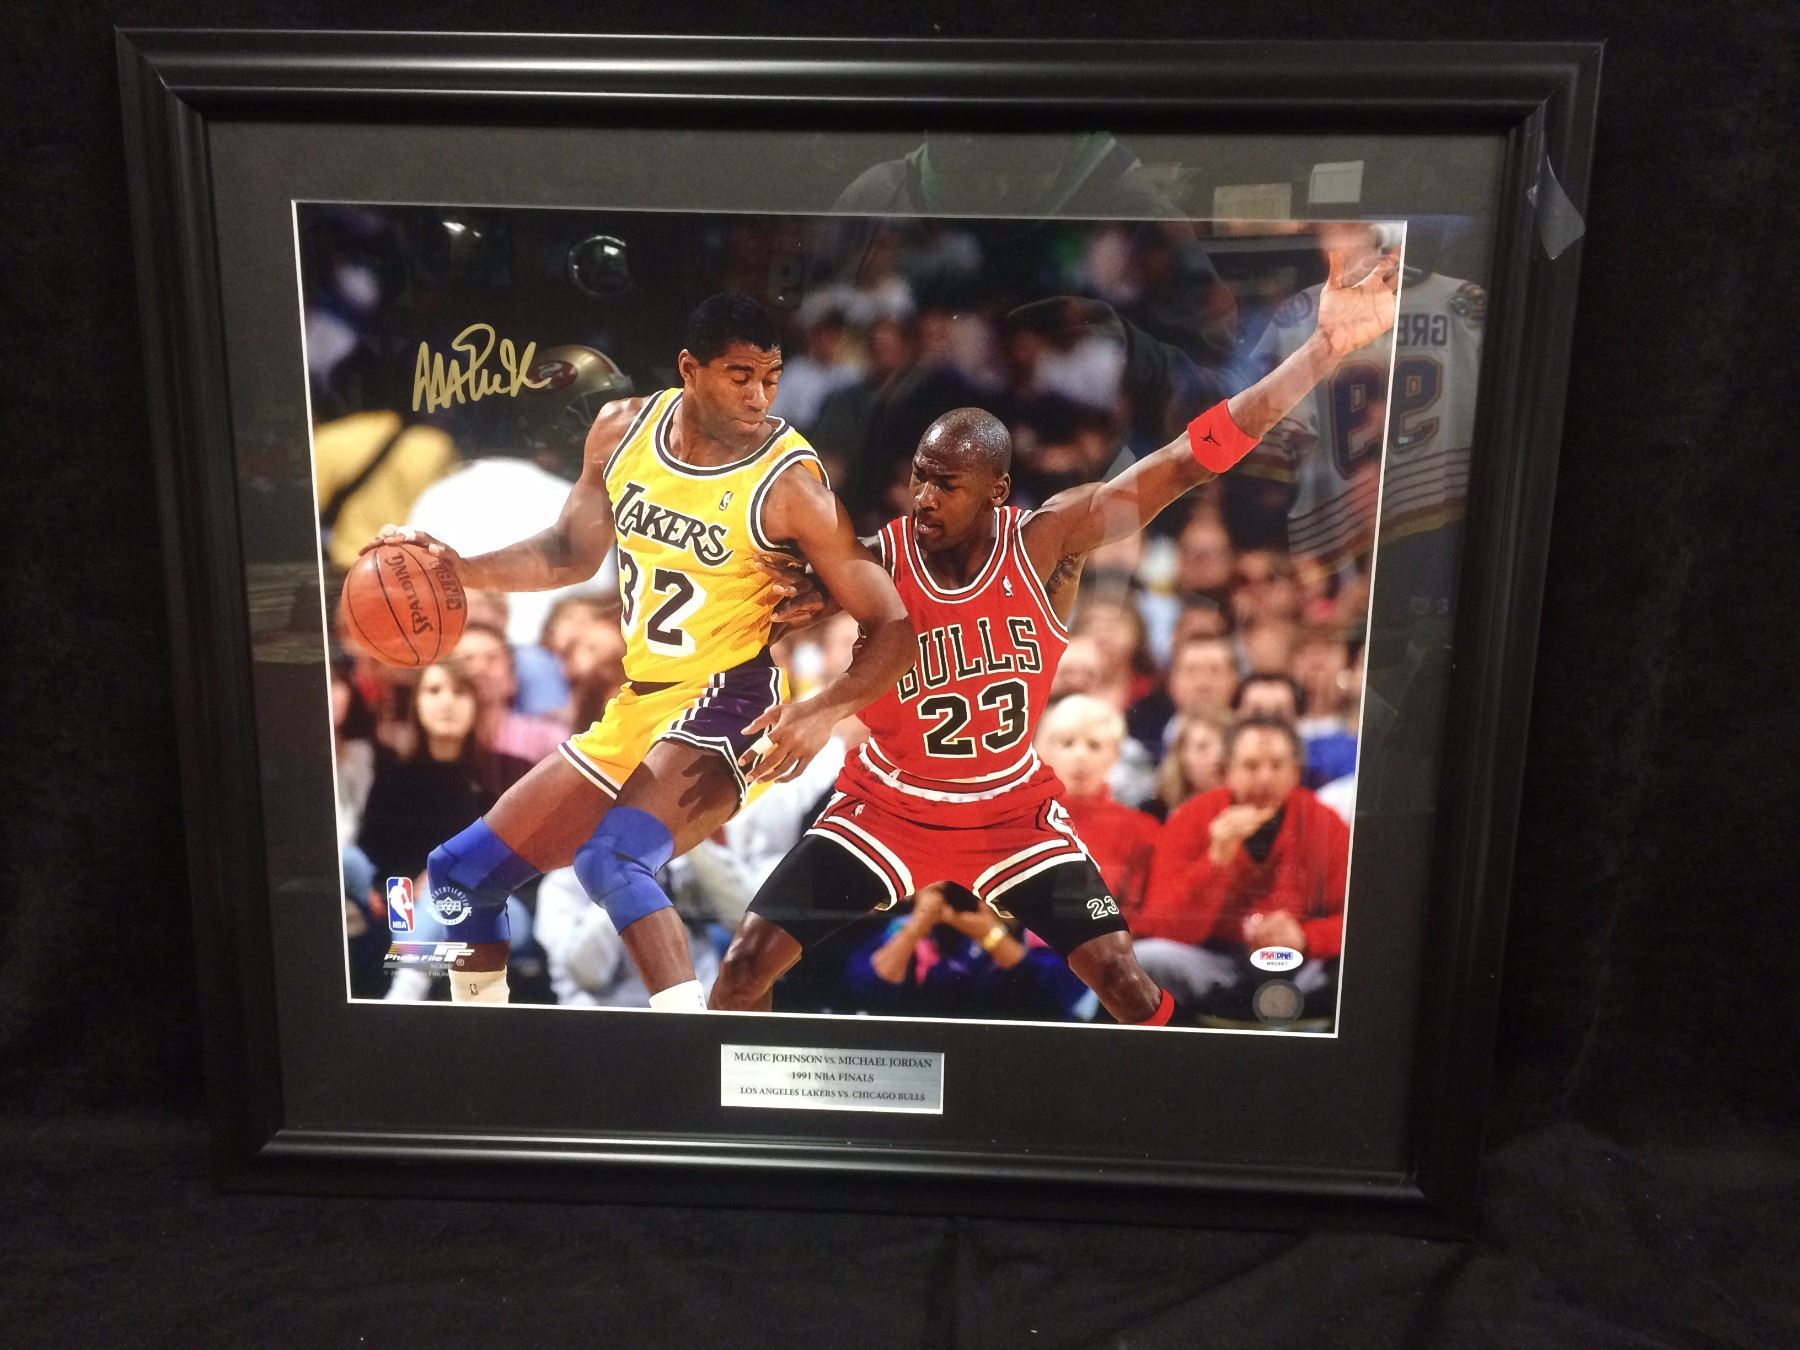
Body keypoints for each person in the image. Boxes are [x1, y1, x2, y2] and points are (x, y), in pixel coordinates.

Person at [711, 244, 1398, 1023]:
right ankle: (736, 1095)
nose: (923, 496)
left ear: (997, 491)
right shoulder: (874, 560)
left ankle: (1179, 1099)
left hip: (1012, 814)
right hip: (891, 807)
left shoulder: (1047, 541)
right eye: (919, 477)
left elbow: (1188, 461)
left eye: (946, 483)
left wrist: (1323, 350)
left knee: (1126, 984)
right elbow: (754, 603)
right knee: (743, 965)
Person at [366, 293, 916, 1009]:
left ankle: (688, 1048)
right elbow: (569, 552)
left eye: (771, 378)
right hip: (642, 703)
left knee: (612, 860)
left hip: (732, 699)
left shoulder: (789, 485)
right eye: (740, 376)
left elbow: (892, 623)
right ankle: (483, 1038)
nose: (758, 397)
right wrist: (460, 568)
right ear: (690, 369)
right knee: (459, 876)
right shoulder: (621, 430)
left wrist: (822, 709)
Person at [1133, 715, 1348, 1026]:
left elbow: (1355, 918)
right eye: (1250, 766)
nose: (1264, 778)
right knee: (1144, 959)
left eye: (1277, 766)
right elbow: (1162, 923)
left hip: (1298, 963)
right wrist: (1216, 860)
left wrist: (1305, 937)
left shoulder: (1324, 822)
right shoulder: (1192, 817)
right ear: (1227, 770)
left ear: (1295, 772)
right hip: (1216, 963)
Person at [1034, 695, 1161, 922]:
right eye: (1067, 743)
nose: (1080, 756)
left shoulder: (1140, 829)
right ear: (1045, 750)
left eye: (1094, 745)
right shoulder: (1022, 821)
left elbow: (1138, 915)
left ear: (1114, 755)